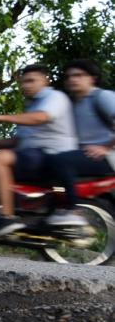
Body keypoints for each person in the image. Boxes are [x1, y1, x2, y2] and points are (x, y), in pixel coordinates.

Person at [0, 64, 82, 236]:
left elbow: (41, 117)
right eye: (23, 82)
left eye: (31, 81)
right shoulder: (31, 107)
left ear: (45, 80)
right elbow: (16, 141)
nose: (25, 86)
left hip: (50, 155)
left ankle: (6, 216)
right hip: (32, 155)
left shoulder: (54, 97)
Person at [45, 59, 115, 213]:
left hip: (107, 156)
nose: (72, 79)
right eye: (68, 77)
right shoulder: (72, 104)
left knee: (60, 160)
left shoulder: (102, 96)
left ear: (92, 78)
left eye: (78, 75)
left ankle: (72, 212)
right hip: (84, 156)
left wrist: (106, 147)